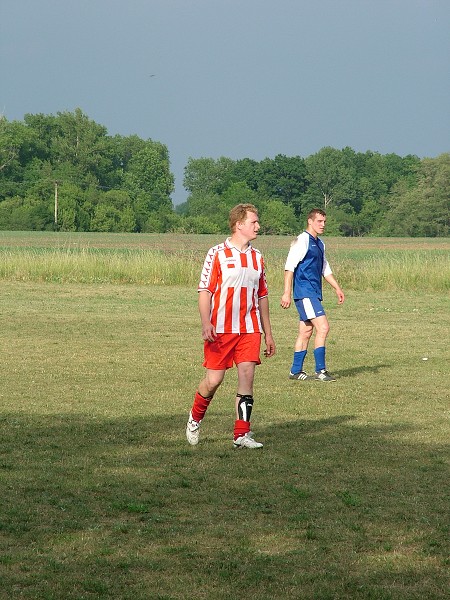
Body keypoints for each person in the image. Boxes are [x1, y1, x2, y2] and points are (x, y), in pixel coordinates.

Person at [186, 203, 276, 449]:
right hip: (221, 330)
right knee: (214, 380)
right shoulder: (217, 253)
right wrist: (206, 323)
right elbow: (205, 291)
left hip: (249, 329)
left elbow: (263, 296)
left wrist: (268, 333)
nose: (258, 226)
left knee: (247, 376)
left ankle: (241, 434)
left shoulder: (258, 257)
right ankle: (195, 417)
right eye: (254, 222)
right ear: (239, 225)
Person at [280, 208, 344, 382]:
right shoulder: (302, 241)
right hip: (304, 292)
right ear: (310, 221)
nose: (323, 225)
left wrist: (337, 288)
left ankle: (295, 371)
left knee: (306, 331)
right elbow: (289, 267)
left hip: (314, 293)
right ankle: (321, 371)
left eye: (324, 222)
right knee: (323, 327)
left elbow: (325, 268)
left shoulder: (320, 243)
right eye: (319, 221)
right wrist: (287, 293)